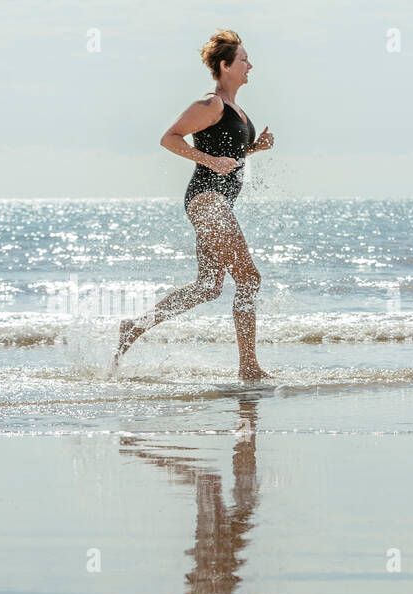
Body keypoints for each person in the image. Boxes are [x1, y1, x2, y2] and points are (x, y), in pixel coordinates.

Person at [113, 29, 274, 382]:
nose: (251, 66)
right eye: (244, 60)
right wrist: (208, 160)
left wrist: (254, 148)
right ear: (225, 65)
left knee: (208, 287)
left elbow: (228, 151)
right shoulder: (210, 103)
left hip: (217, 202)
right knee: (248, 278)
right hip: (207, 199)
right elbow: (169, 138)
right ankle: (248, 367)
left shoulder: (236, 110)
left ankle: (132, 327)